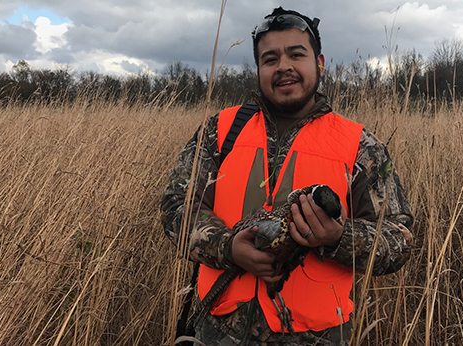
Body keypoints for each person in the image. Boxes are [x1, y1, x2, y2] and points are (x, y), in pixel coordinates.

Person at [161, 6, 413, 345]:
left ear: (319, 64)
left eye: (296, 54)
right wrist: (228, 247)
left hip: (315, 336)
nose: (283, 67)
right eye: (270, 59)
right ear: (259, 69)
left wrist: (338, 237)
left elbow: (399, 239)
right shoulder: (220, 130)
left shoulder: (360, 146)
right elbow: (177, 206)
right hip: (217, 329)